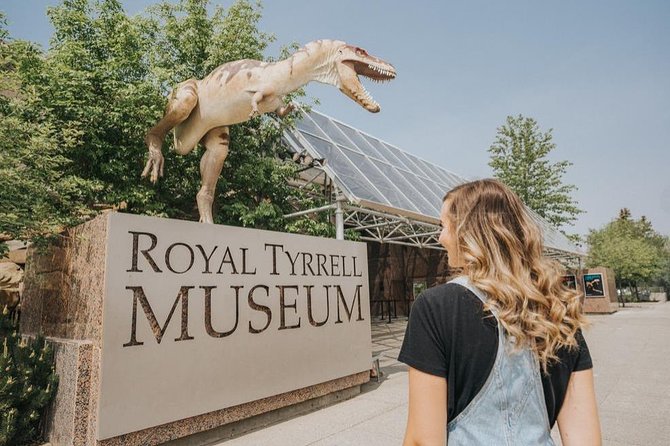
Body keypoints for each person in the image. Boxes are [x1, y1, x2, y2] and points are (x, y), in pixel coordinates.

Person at [398, 179, 601, 445]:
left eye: (443, 226)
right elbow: (585, 439)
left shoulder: (436, 306)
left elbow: (422, 440)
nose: (440, 238)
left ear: (468, 233)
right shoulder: (558, 310)